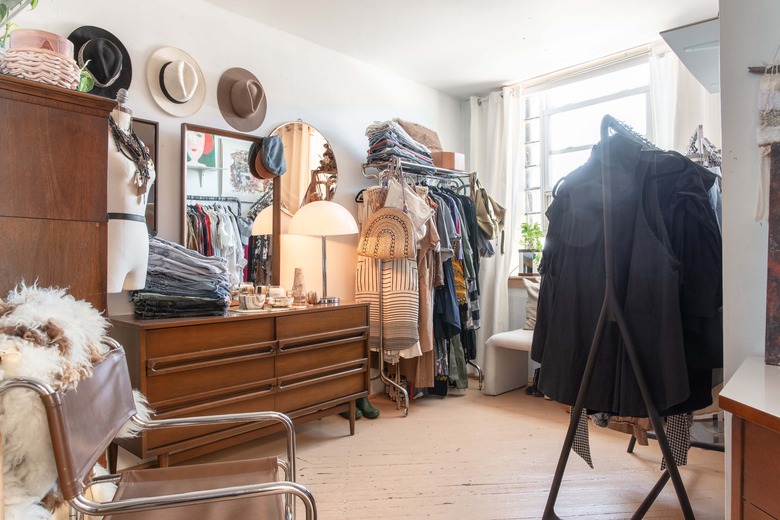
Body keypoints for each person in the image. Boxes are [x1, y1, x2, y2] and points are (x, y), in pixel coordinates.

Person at [107, 90, 156, 293]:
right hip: (114, 235)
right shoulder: (105, 138)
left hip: (140, 237)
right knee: (102, 305)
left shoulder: (140, 147)